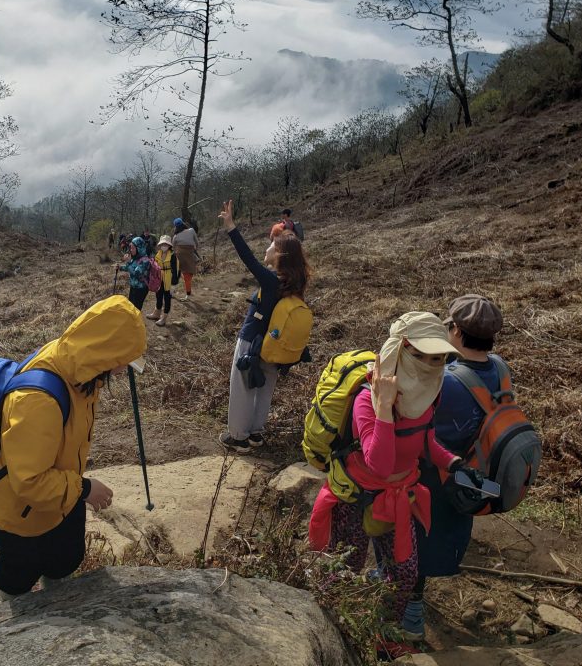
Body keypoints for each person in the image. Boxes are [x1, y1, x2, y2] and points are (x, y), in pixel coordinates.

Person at [307, 312, 478, 657]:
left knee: (404, 573)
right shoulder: (366, 399)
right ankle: (331, 634)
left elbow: (427, 441)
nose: (434, 366)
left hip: (398, 499)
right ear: (400, 350)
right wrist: (384, 406)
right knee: (343, 570)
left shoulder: (428, 395)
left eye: (440, 358)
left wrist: (455, 463)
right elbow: (379, 463)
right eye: (425, 356)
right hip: (356, 497)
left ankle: (383, 635)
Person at [0, 295, 147, 599]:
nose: (123, 369)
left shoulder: (78, 368)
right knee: (16, 581)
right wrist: (84, 489)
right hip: (23, 516)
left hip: (60, 499)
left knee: (64, 562)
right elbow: (29, 481)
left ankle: (58, 603)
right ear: (104, 353)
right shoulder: (37, 401)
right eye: (122, 361)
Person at [405, 295, 506, 642]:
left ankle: (410, 617)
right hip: (470, 474)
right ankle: (415, 595)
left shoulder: (445, 380)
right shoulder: (500, 369)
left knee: (413, 540)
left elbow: (417, 429)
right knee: (442, 536)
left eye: (449, 326)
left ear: (458, 332)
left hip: (433, 474)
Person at [217, 199, 310, 453]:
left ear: (279, 255)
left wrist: (231, 227)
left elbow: (247, 258)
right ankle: (256, 433)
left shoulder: (271, 280)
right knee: (265, 389)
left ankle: (238, 437)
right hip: (274, 345)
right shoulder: (293, 285)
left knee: (243, 388)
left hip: (251, 342)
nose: (267, 248)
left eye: (271, 245)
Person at [147, 235, 179, 327]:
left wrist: (174, 284)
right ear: (160, 245)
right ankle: (156, 313)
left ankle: (164, 318)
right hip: (159, 278)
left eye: (166, 244)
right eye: (162, 244)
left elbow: (176, 270)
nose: (164, 245)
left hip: (169, 279)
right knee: (158, 296)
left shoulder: (173, 256)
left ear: (169, 245)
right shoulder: (158, 254)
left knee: (167, 298)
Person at [116, 236, 152, 311]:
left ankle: (136, 322)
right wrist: (120, 267)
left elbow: (136, 273)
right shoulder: (135, 257)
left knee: (136, 309)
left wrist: (128, 262)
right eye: (130, 248)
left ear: (139, 248)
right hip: (133, 287)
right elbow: (129, 268)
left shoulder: (145, 260)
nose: (131, 250)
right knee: (131, 306)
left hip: (141, 289)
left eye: (133, 248)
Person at [171, 217, 199, 299]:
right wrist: (193, 250)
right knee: (188, 275)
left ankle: (171, 292)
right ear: (183, 223)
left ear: (175, 227)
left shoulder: (175, 236)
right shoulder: (191, 230)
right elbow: (197, 243)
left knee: (176, 275)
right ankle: (188, 293)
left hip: (179, 255)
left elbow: (173, 247)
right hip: (190, 254)